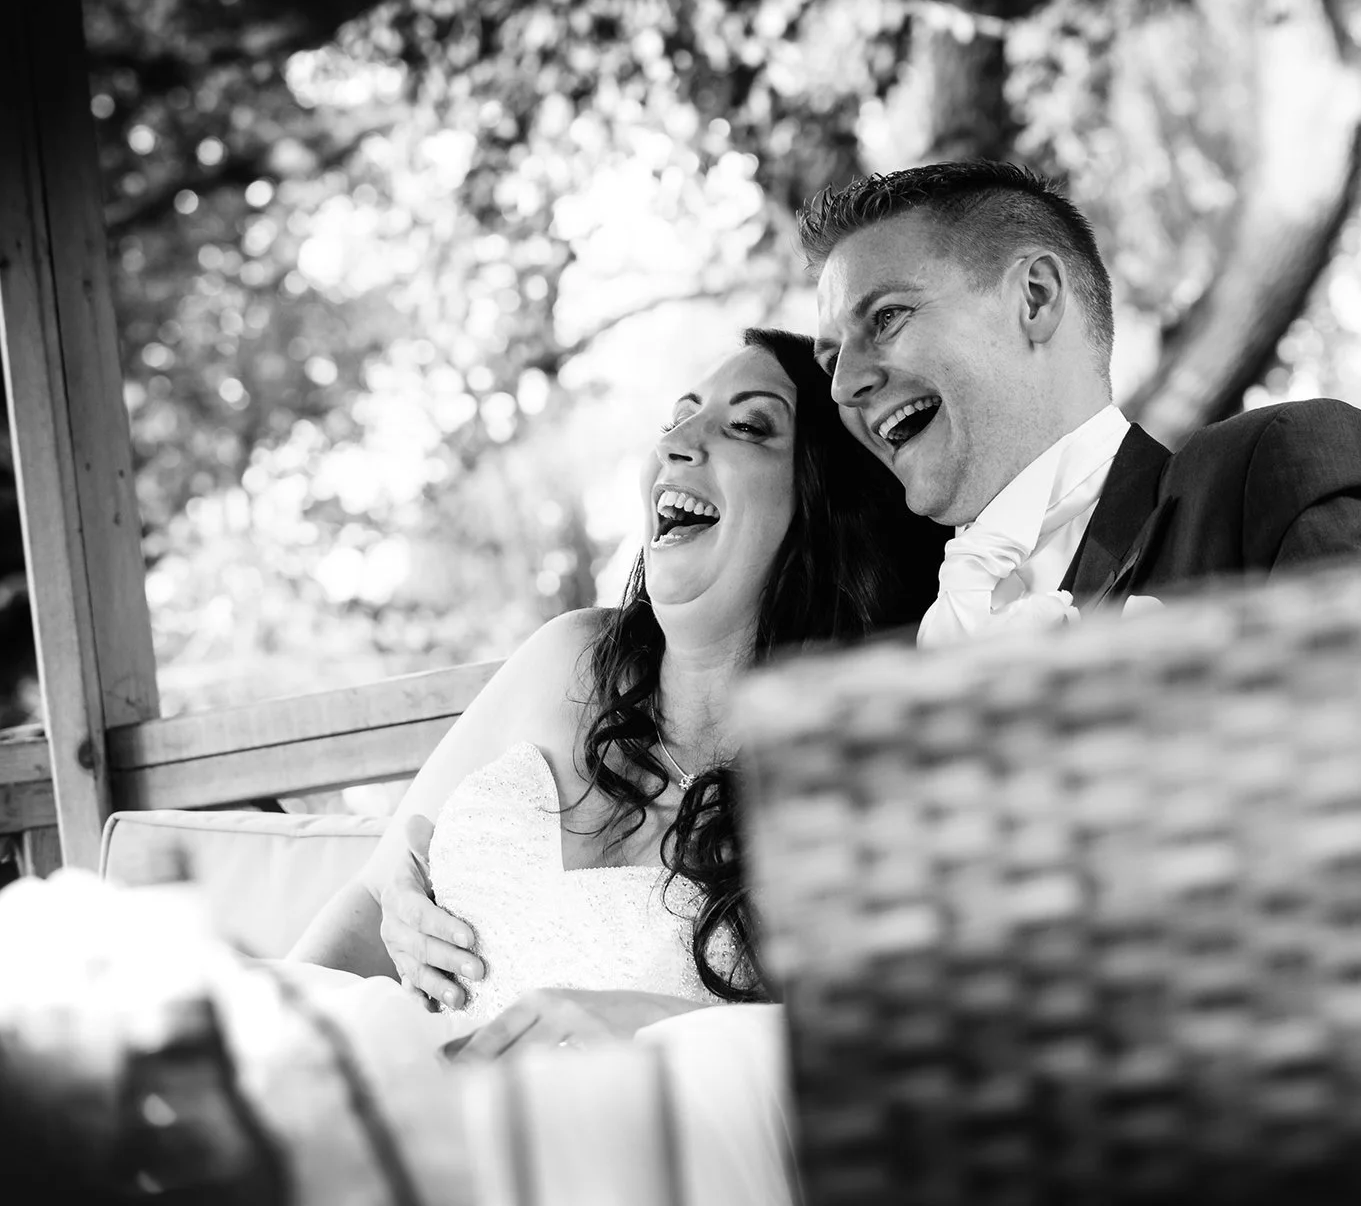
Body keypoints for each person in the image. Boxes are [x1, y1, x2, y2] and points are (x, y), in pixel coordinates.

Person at [287, 327, 943, 1050]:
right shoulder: (566, 656)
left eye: (748, 427)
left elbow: (899, 1049)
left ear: (831, 510)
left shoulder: (862, 767)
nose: (678, 443)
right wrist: (391, 921)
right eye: (678, 418)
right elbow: (375, 894)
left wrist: (672, 1032)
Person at [801, 160, 1361, 645]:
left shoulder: (1274, 468)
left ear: (1036, 297)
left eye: (885, 318)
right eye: (831, 360)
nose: (843, 384)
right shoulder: (894, 626)